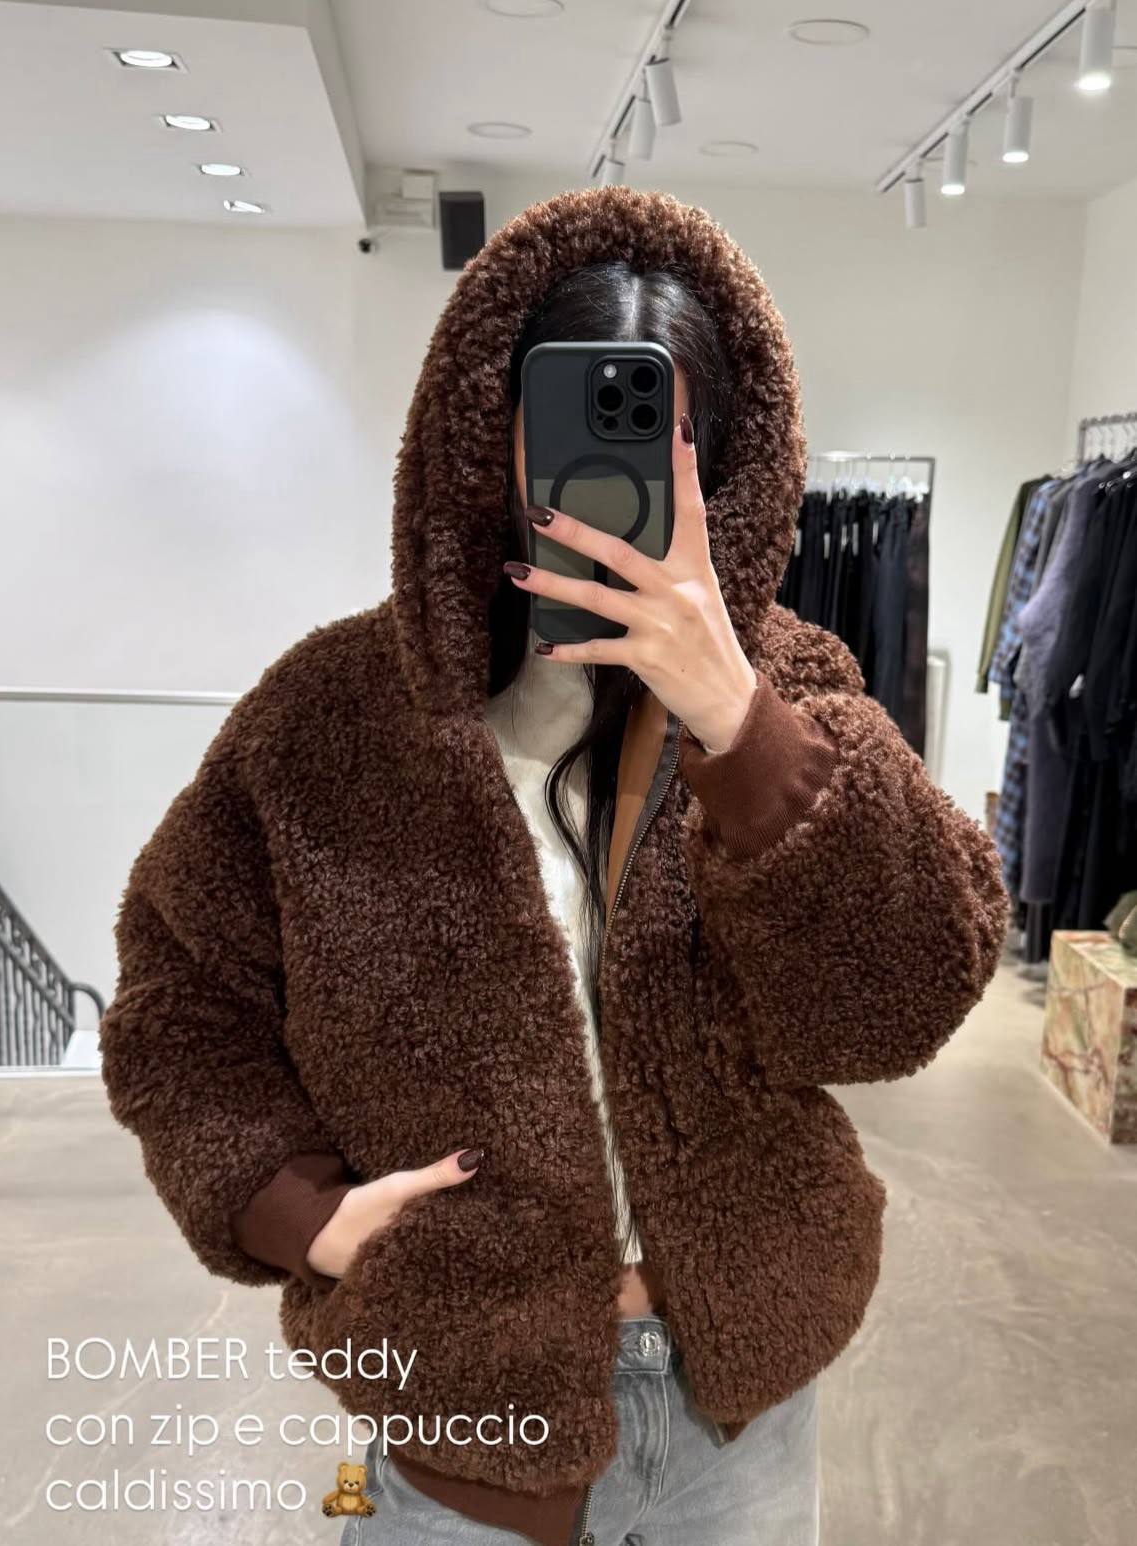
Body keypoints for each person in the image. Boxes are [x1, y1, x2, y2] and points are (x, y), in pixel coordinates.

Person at [98, 185, 1009, 1546]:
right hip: (468, 1408)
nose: (614, 470)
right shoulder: (331, 719)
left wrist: (736, 724)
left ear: (727, 459)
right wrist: (298, 1212)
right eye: (573, 418)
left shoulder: (793, 690)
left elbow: (900, 1003)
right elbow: (179, 1003)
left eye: (663, 435)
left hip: (740, 1410)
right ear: (490, 431)